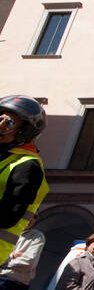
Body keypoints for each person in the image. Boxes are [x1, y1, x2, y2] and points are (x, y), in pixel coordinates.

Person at [0, 97, 49, 273]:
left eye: (10, 122)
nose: (1, 124)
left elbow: (9, 216)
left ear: (24, 131)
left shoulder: (28, 165)